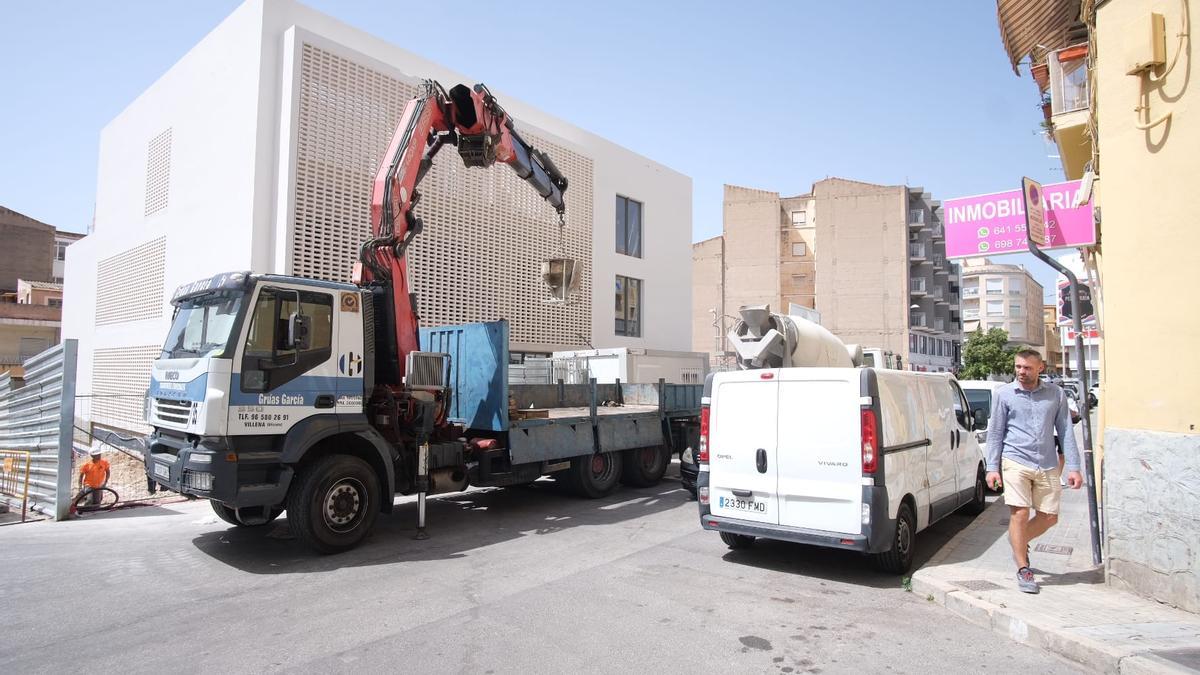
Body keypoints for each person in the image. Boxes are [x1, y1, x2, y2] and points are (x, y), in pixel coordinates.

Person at [985, 350, 1083, 594]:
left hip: (1047, 462)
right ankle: (1023, 569)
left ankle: (1018, 539)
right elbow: (995, 432)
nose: (1021, 372)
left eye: (1027, 367)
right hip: (1015, 460)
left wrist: (1074, 466)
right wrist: (991, 468)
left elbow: (1066, 431)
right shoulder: (1004, 394)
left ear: (1041, 367)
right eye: (1018, 366)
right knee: (1019, 513)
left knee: (1050, 517)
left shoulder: (1055, 394)